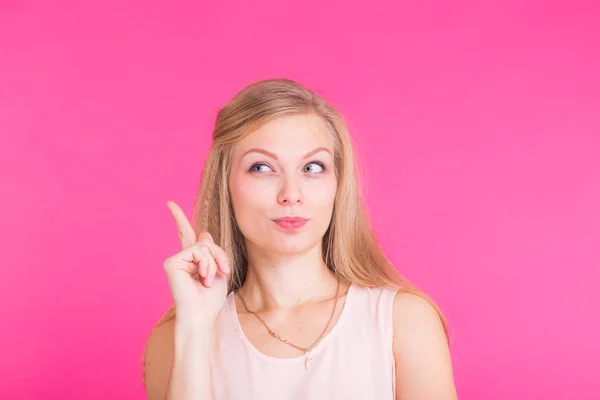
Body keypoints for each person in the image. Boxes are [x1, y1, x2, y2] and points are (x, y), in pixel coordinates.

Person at [142, 78, 458, 400]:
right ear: (226, 184)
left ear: (337, 184)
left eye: (313, 167)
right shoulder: (175, 338)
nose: (291, 194)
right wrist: (195, 330)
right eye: (262, 167)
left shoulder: (403, 321)